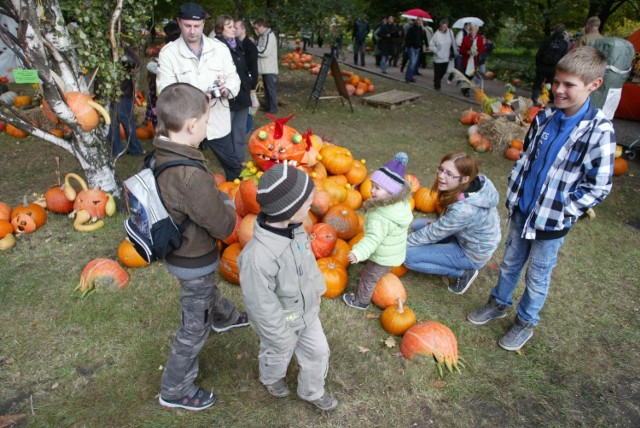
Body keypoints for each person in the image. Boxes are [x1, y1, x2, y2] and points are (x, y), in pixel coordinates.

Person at [467, 47, 616, 352]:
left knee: (537, 275)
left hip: (551, 221)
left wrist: (564, 208)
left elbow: (598, 186)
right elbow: (527, 157)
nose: (558, 90)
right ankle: (499, 303)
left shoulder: (598, 131)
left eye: (569, 85)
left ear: (594, 85)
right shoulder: (545, 117)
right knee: (509, 263)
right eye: (556, 82)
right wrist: (516, 191)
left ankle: (526, 320)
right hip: (523, 210)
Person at [154, 83, 249, 411]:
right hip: (193, 256)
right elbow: (222, 225)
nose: (207, 128)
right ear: (192, 125)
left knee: (204, 293)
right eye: (207, 122)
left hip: (183, 252)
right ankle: (175, 389)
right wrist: (225, 200)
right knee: (194, 324)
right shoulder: (190, 176)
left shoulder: (163, 153)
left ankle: (225, 317)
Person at [238, 164, 339, 412]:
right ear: (288, 210)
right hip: (280, 323)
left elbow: (308, 261)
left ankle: (312, 391)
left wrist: (317, 285)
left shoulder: (298, 231)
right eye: (307, 202)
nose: (312, 204)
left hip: (307, 313)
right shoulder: (257, 258)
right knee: (277, 355)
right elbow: (260, 304)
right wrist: (279, 336)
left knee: (318, 352)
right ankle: (272, 378)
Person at [156, 2, 242, 182]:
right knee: (183, 168)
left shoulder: (219, 48)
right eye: (187, 26)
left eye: (197, 26)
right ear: (179, 23)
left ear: (204, 23)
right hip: (185, 125)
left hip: (217, 121)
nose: (193, 31)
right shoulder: (168, 53)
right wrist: (198, 98)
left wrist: (226, 90)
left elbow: (234, 79)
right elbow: (165, 91)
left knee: (232, 165)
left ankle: (237, 198)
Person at [405, 152, 501, 295]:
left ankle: (463, 272)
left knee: (407, 256)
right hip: (464, 235)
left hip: (471, 252)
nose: (441, 176)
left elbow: (432, 234)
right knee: (418, 225)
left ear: (465, 179)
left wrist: (399, 244)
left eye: (449, 174)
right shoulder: (476, 183)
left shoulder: (464, 210)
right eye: (441, 169)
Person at [342, 153, 413, 310]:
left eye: (377, 188)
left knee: (368, 278)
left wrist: (358, 252)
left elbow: (373, 239)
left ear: (391, 192)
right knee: (376, 273)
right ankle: (380, 276)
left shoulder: (381, 216)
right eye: (372, 185)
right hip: (393, 251)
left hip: (383, 255)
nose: (372, 190)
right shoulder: (400, 204)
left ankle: (361, 301)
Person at [211, 15, 254, 168]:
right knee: (225, 130)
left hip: (241, 94)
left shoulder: (237, 44)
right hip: (227, 96)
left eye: (233, 26)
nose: (233, 29)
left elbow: (243, 69)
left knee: (240, 129)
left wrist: (249, 86)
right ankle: (230, 161)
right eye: (229, 27)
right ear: (221, 29)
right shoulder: (216, 46)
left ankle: (240, 158)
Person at [108, 45, 144, 157]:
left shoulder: (109, 51)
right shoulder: (120, 50)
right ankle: (134, 149)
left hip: (114, 91)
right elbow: (135, 62)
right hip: (121, 92)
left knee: (114, 123)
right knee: (126, 122)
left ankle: (118, 149)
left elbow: (134, 63)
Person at [532, 24, 569, 105]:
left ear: (554, 30)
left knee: (537, 84)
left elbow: (539, 54)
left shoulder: (547, 40)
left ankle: (535, 101)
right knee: (551, 85)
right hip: (554, 68)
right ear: (563, 32)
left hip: (542, 66)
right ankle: (546, 102)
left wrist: (538, 65)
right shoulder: (564, 44)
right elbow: (564, 58)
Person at [235, 19, 259, 135]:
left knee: (248, 104)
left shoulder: (250, 46)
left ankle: (248, 127)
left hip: (248, 81)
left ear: (243, 29)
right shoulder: (236, 44)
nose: (234, 30)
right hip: (240, 80)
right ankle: (245, 126)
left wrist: (253, 84)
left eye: (237, 28)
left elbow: (253, 67)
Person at [253, 19, 279, 114]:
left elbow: (265, 52)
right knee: (267, 89)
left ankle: (273, 108)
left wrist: (254, 47)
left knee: (270, 89)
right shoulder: (263, 36)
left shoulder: (269, 36)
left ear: (261, 26)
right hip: (265, 68)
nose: (256, 30)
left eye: (256, 28)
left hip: (269, 68)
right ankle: (269, 107)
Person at [429, 19, 456, 90]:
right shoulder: (436, 34)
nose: (444, 28)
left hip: (446, 56)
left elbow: (453, 42)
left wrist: (455, 52)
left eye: (446, 26)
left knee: (443, 71)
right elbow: (431, 45)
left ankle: (436, 80)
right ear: (440, 26)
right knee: (437, 72)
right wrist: (436, 51)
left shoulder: (450, 32)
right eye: (443, 26)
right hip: (438, 57)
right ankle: (437, 86)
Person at [459, 24, 485, 97]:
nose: (472, 31)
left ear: (477, 30)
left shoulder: (480, 38)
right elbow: (461, 50)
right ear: (469, 30)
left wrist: (477, 52)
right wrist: (467, 52)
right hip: (466, 60)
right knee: (466, 75)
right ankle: (465, 90)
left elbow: (482, 48)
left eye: (474, 30)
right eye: (471, 30)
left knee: (471, 76)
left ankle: (465, 89)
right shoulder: (466, 38)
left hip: (474, 61)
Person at [404, 18, 426, 83]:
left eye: (421, 20)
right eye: (418, 20)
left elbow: (424, 38)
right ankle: (408, 77)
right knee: (412, 62)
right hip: (412, 47)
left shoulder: (421, 29)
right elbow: (407, 38)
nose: (420, 21)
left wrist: (425, 45)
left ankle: (411, 76)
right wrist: (409, 45)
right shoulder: (412, 28)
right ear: (416, 21)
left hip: (418, 48)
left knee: (415, 63)